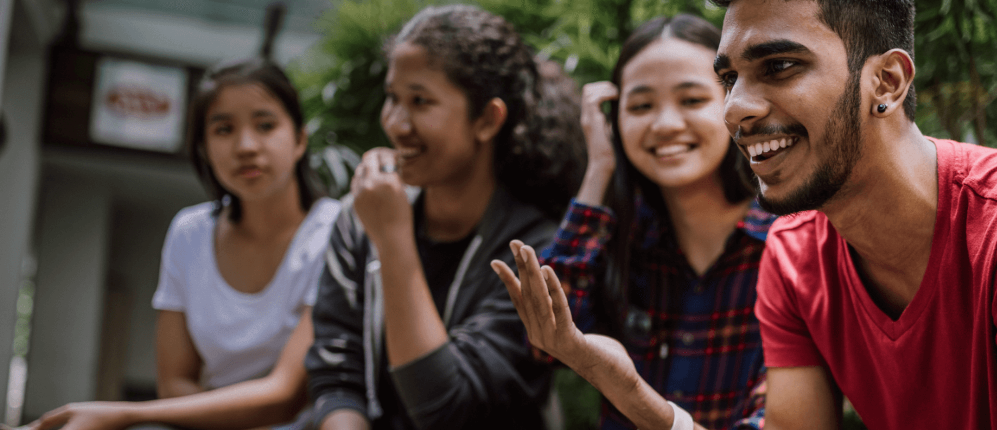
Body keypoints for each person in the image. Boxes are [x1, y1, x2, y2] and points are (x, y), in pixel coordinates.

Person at [705, 0, 997, 429]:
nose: (734, 109)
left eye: (779, 66)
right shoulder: (794, 256)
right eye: (729, 79)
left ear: (887, 81)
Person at [303, 5, 584, 430]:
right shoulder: (359, 217)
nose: (396, 124)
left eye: (420, 101)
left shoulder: (535, 252)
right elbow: (337, 377)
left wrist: (393, 241)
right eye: (392, 97)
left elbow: (446, 409)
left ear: (487, 119)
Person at [491, 14, 773, 430]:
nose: (665, 124)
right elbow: (544, 344)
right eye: (641, 106)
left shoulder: (789, 247)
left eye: (692, 100)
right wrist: (599, 169)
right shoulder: (623, 237)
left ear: (735, 104)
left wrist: (631, 393)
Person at [30, 58, 341, 430]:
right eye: (224, 129)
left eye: (265, 125)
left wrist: (124, 413)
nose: (246, 146)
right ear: (204, 147)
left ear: (300, 139)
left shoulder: (336, 231)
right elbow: (174, 382)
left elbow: (285, 396)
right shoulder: (189, 232)